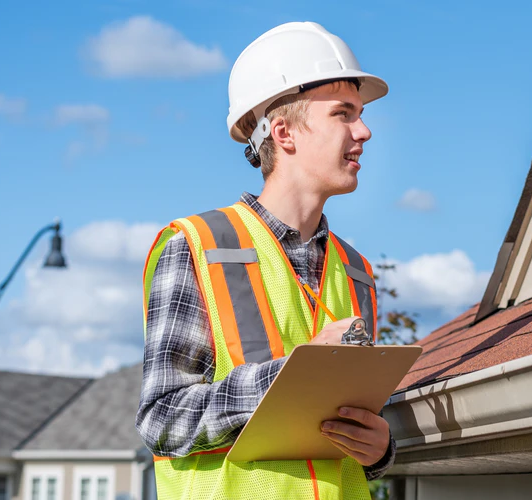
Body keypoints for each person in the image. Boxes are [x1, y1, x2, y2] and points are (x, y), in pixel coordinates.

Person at [136, 22, 392, 499]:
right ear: (284, 132)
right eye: (344, 114)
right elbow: (162, 419)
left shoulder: (355, 271)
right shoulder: (198, 246)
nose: (365, 130)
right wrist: (297, 373)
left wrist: (381, 449)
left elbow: (355, 425)